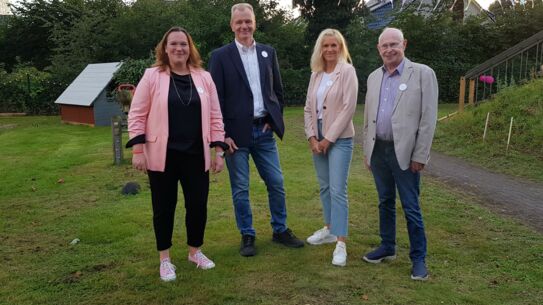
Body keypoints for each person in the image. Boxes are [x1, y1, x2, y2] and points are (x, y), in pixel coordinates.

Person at [126, 27, 227, 281]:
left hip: (196, 155)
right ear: (165, 48)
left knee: (197, 206)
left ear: (190, 47)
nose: (179, 48)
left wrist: (219, 151)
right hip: (163, 156)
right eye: (173, 44)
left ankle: (195, 251)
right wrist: (138, 150)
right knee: (163, 208)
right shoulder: (152, 76)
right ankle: (165, 259)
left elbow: (216, 116)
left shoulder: (204, 77)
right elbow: (136, 114)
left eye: (183, 44)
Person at [208, 2, 304, 257]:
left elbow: (277, 91)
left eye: (248, 21)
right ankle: (247, 234)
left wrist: (274, 118)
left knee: (276, 181)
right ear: (232, 26)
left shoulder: (267, 52)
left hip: (263, 131)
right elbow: (214, 99)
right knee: (240, 188)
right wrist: (222, 135)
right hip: (234, 136)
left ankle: (280, 229)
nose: (244, 26)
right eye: (239, 22)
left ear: (254, 23)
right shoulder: (220, 56)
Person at [362, 27, 438, 281]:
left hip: (404, 152)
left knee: (410, 205)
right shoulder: (374, 77)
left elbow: (428, 119)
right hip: (379, 150)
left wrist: (421, 155)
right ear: (378, 49)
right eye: (384, 46)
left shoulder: (423, 74)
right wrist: (367, 151)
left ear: (404, 44)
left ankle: (418, 258)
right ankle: (387, 247)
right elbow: (367, 118)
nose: (389, 49)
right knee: (384, 201)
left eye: (394, 44)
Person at [303, 29, 358, 266]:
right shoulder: (316, 74)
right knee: (324, 187)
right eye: (325, 46)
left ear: (341, 48)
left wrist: (328, 139)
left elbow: (348, 108)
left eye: (334, 46)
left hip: (340, 138)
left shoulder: (347, 71)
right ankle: (329, 229)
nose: (329, 50)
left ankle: (341, 242)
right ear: (320, 49)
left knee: (338, 190)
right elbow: (308, 108)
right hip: (318, 136)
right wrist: (312, 137)